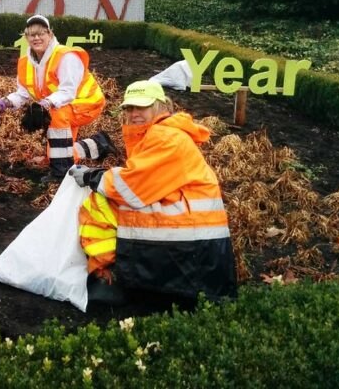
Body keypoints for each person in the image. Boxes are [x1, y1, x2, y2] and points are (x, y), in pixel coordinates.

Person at [69, 80, 238, 305]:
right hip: (199, 245)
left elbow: (132, 187)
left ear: (160, 105)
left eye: (142, 107)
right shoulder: (165, 133)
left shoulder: (165, 137)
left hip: (191, 244)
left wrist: (92, 176)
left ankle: (109, 276)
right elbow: (143, 179)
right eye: (129, 108)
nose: (134, 113)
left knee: (98, 205)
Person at [0, 15, 116, 183]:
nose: (36, 38)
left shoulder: (66, 56)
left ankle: (61, 173)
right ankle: (100, 144)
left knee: (55, 118)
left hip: (86, 103)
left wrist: (45, 104)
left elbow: (67, 92)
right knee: (59, 153)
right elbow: (22, 93)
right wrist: (3, 103)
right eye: (31, 34)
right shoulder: (25, 62)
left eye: (41, 33)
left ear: (50, 35)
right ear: (26, 38)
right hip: (65, 107)